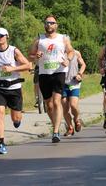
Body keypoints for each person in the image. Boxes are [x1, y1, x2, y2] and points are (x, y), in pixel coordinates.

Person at [29, 15, 74, 143]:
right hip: (44, 74)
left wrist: (68, 59)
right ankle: (57, 126)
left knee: (56, 101)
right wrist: (35, 55)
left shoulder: (63, 38)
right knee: (48, 105)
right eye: (47, 23)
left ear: (56, 25)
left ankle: (55, 132)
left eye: (52, 23)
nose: (49, 25)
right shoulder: (39, 39)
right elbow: (30, 55)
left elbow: (70, 51)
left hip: (59, 72)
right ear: (44, 25)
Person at [0, 27, 30, 154]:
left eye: (1, 35)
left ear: (7, 36)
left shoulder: (14, 51)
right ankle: (1, 144)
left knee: (15, 118)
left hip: (14, 88)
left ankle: (17, 120)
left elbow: (28, 65)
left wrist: (12, 69)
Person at [62, 49, 86, 136]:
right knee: (65, 108)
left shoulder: (76, 53)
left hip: (74, 82)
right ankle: (70, 127)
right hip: (62, 84)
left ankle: (76, 119)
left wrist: (79, 74)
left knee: (73, 105)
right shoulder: (58, 53)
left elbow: (83, 64)